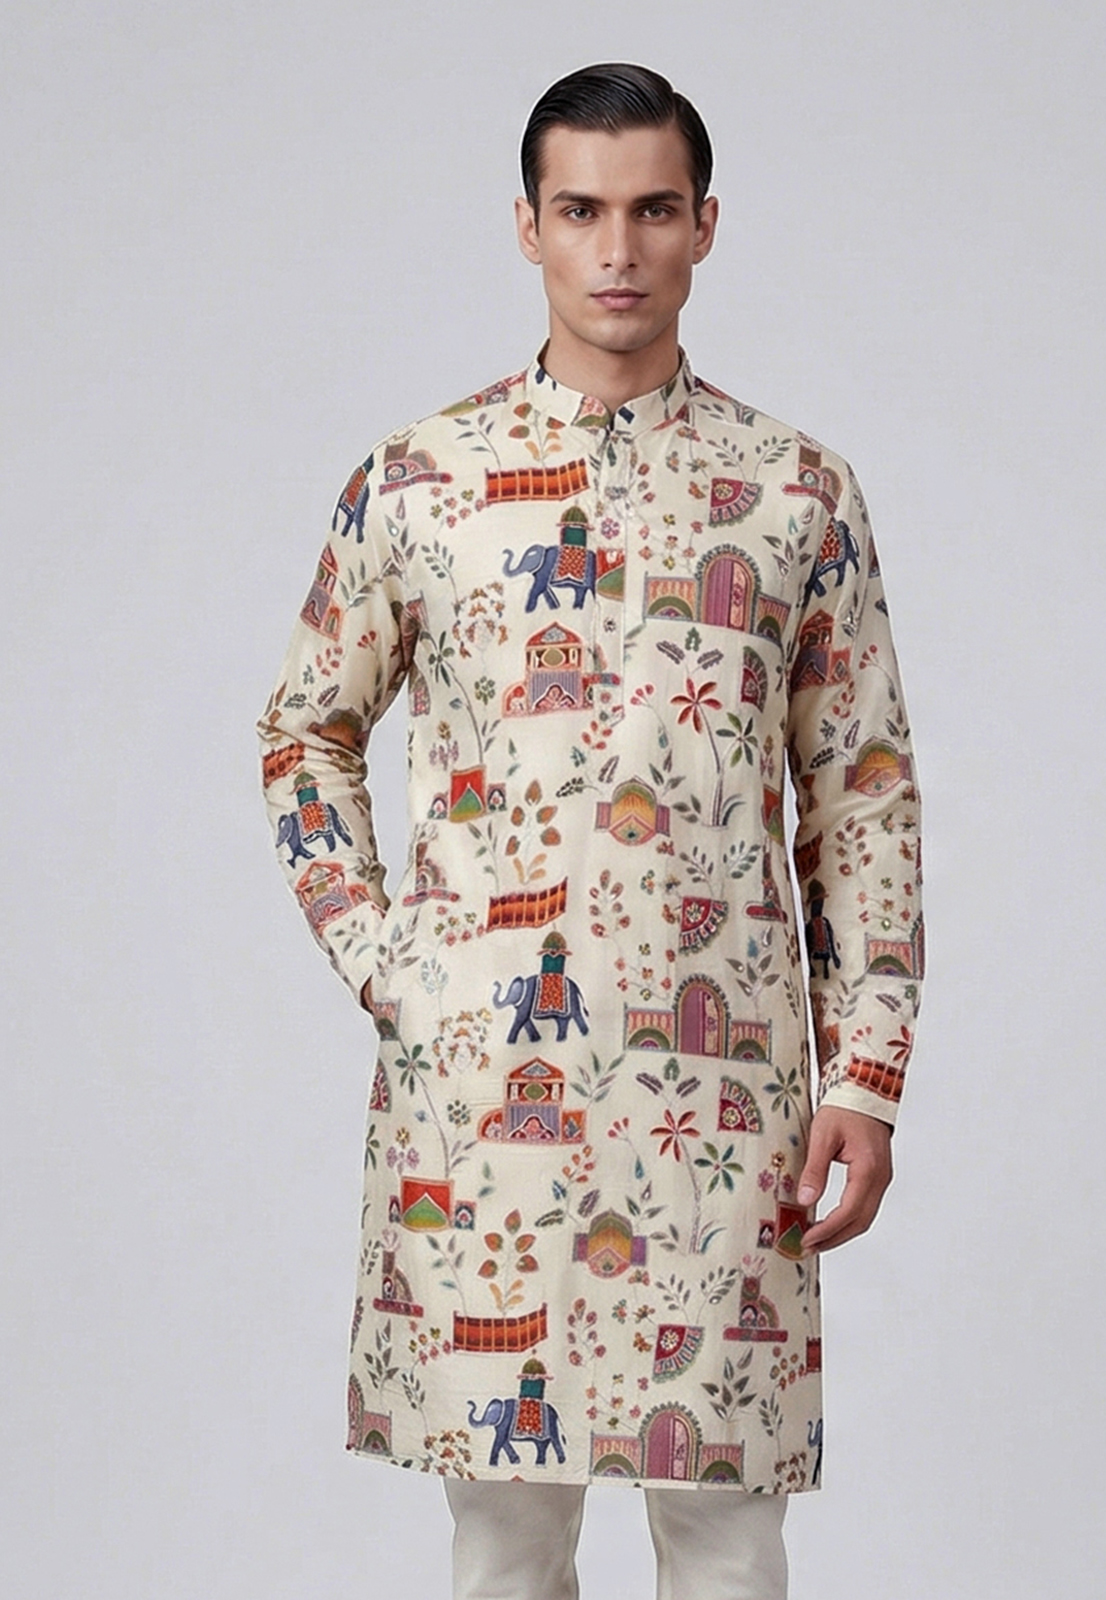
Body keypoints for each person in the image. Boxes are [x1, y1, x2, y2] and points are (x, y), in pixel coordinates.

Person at [257, 61, 923, 1600]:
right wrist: (387, 962)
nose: (617, 249)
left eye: (652, 210)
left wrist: (868, 1070)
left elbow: (863, 795)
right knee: (503, 1548)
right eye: (580, 211)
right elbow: (304, 732)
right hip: (486, 1094)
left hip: (725, 1101)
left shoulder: (796, 494)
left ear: (705, 225)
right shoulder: (418, 484)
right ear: (529, 226)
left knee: (730, 1546)